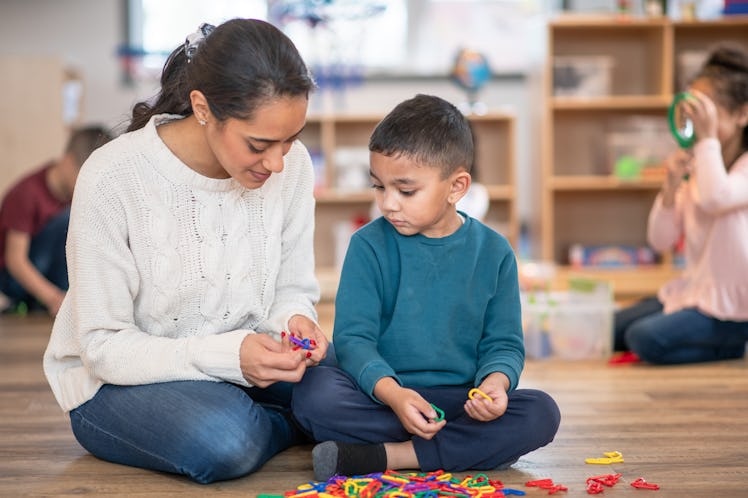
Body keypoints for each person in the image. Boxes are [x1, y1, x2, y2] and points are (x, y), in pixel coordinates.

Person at [43, 19, 329, 484]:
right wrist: (229, 358)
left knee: (357, 383)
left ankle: (279, 417)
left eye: (291, 140)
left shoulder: (290, 168)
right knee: (225, 441)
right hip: (119, 381)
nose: (278, 163)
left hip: (244, 359)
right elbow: (102, 348)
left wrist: (295, 320)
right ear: (202, 108)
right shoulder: (114, 176)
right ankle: (288, 425)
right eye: (259, 145)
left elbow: (292, 289)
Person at [292, 94, 560, 481]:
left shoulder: (495, 252)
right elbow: (353, 341)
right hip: (383, 396)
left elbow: (503, 344)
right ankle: (460, 448)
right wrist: (396, 395)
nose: (387, 204)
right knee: (314, 393)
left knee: (541, 413)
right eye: (379, 187)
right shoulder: (368, 245)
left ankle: (392, 456)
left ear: (456, 187)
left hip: (459, 402)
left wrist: (495, 386)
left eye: (405, 190)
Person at [613, 44, 748, 364]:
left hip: (734, 309)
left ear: (743, 113)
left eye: (708, 111)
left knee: (643, 338)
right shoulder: (701, 164)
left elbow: (718, 197)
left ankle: (732, 345)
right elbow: (660, 240)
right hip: (693, 294)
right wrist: (672, 187)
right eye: (693, 109)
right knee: (612, 328)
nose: (696, 119)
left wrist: (707, 141)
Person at [0, 126, 111, 316]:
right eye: (85, 176)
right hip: (13, 280)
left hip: (51, 278)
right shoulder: (27, 193)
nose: (89, 185)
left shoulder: (75, 194)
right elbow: (15, 260)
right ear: (68, 162)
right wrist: (54, 298)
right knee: (71, 218)